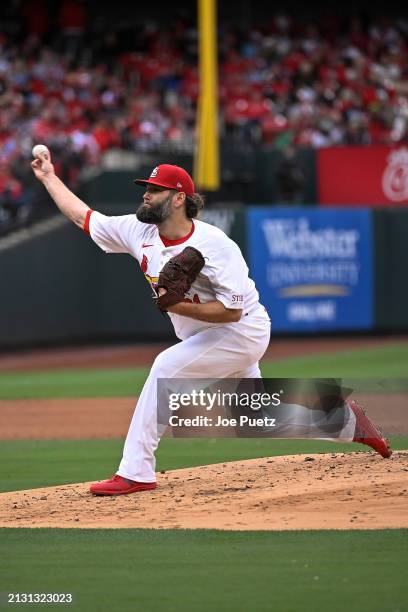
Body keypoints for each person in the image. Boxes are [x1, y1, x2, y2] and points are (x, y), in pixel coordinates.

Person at [31, 152, 391, 496]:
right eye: (147, 187)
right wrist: (49, 177)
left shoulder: (216, 245)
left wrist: (179, 305)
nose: (146, 193)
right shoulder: (137, 230)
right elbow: (84, 217)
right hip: (207, 334)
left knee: (164, 368)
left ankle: (135, 472)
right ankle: (345, 420)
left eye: (155, 189)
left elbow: (232, 312)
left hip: (241, 330)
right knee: (257, 412)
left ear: (178, 199)